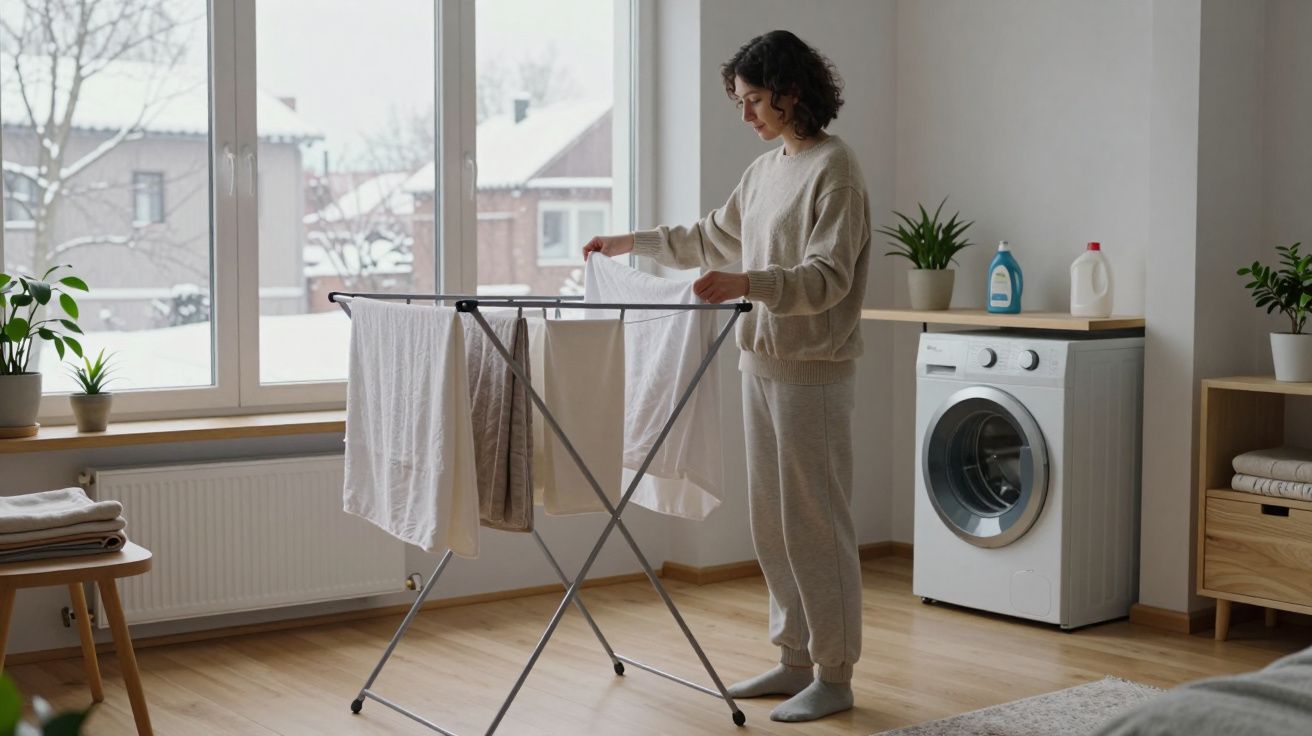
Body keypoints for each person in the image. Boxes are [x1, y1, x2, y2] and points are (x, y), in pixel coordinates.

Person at [583, 29, 870, 723]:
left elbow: (829, 279)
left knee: (816, 523)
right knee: (771, 521)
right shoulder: (766, 171)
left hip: (815, 370)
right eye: (739, 102)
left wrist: (751, 280)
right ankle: (793, 659)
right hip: (759, 361)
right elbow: (710, 234)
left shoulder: (836, 170)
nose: (745, 115)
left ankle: (836, 674)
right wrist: (631, 243)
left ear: (790, 92)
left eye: (752, 101)